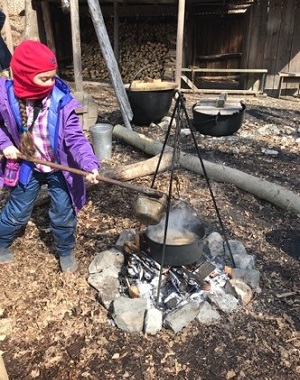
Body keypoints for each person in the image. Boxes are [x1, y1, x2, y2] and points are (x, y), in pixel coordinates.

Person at [0, 40, 101, 272]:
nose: (51, 83)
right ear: (25, 76)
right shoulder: (6, 97)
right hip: (28, 166)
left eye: (53, 77)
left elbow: (76, 139)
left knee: (63, 213)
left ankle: (65, 250)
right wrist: (5, 143)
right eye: (44, 78)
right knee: (17, 210)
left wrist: (90, 164)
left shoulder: (61, 102)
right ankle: (1, 243)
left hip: (61, 168)